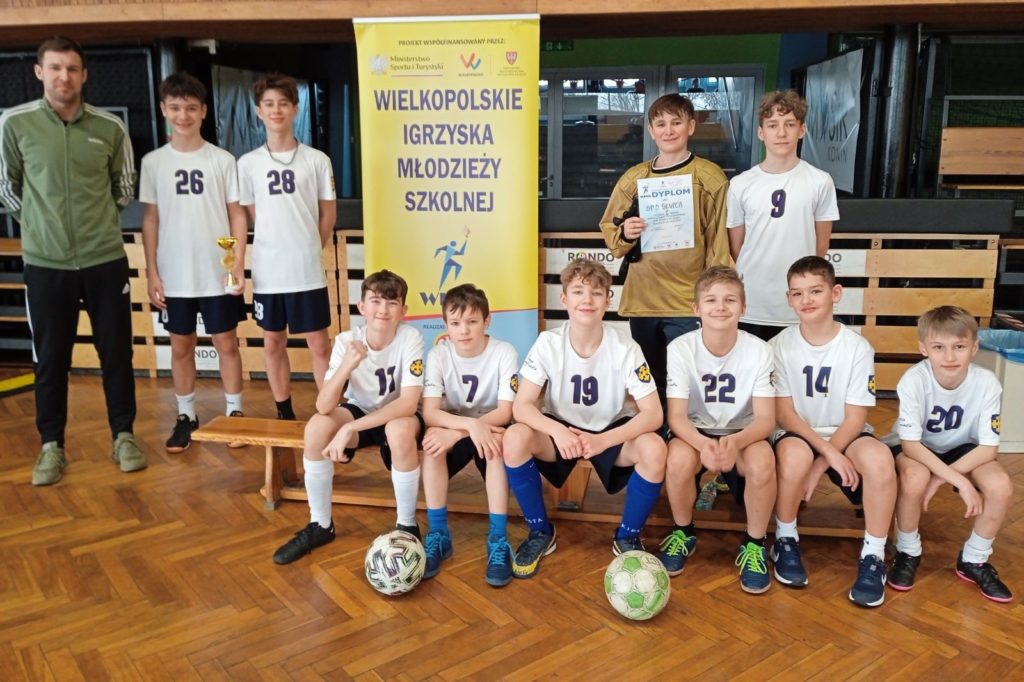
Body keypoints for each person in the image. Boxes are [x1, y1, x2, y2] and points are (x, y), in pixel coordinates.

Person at [0, 36, 146, 484]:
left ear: (84, 75)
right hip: (46, 264)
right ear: (39, 72)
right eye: (55, 68)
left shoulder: (109, 127)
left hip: (104, 260)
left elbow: (123, 187)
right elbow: (7, 187)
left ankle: (124, 436)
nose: (64, 77)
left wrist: (94, 225)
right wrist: (39, 225)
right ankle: (51, 446)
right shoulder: (14, 123)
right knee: (51, 359)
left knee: (116, 353)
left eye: (72, 69)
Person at [502, 260, 666, 578]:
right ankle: (540, 531)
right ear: (564, 299)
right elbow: (521, 406)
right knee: (515, 437)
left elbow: (653, 414)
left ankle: (628, 536)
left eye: (596, 293)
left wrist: (604, 440)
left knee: (655, 448)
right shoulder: (549, 342)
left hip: (608, 431)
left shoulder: (625, 347)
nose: (587, 300)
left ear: (608, 300)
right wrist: (558, 431)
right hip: (560, 428)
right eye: (578, 291)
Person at [272, 270, 424, 565]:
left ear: (403, 310)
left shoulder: (410, 337)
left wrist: (349, 428)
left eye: (392, 303)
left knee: (399, 431)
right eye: (376, 301)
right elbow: (323, 405)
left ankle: (407, 525)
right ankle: (320, 524)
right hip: (361, 409)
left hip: (397, 414)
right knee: (317, 428)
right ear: (361, 307)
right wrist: (347, 365)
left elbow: (408, 403)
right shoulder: (346, 341)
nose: (383, 310)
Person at [770, 256, 895, 607]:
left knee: (880, 460)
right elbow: (784, 414)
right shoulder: (778, 346)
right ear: (789, 299)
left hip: (845, 432)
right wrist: (822, 454)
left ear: (835, 293)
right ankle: (785, 539)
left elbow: (856, 418)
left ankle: (873, 554)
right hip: (798, 431)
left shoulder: (857, 347)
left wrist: (821, 464)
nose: (806, 300)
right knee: (794, 457)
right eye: (797, 293)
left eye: (815, 291)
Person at [140, 72, 248, 453]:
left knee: (226, 343)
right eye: (175, 108)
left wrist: (237, 263)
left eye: (190, 108)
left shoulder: (222, 159)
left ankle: (235, 413)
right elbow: (150, 219)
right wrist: (152, 272)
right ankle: (186, 416)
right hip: (175, 274)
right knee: (181, 346)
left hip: (217, 272)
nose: (182, 115)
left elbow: (237, 213)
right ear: (163, 110)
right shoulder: (153, 162)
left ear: (203, 111)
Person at [599, 93, 729, 402]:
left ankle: (682, 427)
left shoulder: (709, 177)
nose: (668, 130)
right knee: (650, 381)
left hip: (686, 299)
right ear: (651, 131)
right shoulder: (634, 178)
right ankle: (657, 427)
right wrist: (626, 232)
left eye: (676, 123)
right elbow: (611, 234)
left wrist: (714, 293)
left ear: (691, 127)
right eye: (660, 124)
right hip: (644, 297)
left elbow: (719, 241)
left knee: (685, 377)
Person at [655, 266, 776, 593]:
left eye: (730, 300)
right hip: (695, 429)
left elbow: (766, 420)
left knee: (763, 461)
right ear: (696, 308)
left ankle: (754, 543)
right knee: (678, 460)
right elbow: (676, 417)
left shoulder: (760, 350)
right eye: (710, 300)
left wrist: (734, 443)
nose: (720, 307)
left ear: (743, 308)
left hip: (743, 431)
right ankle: (683, 532)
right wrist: (703, 444)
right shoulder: (681, 348)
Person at [889, 306, 1011, 602]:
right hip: (918, 447)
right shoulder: (914, 380)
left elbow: (988, 448)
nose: (950, 357)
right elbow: (911, 445)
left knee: (1001, 486)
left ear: (974, 347)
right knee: (915, 479)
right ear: (923, 349)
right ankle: (907, 550)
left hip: (963, 448)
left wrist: (942, 479)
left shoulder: (987, 383)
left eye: (959, 346)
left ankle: (974, 559)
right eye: (938, 347)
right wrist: (961, 482)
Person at [237, 73, 335, 420]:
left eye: (283, 103)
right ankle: (284, 411)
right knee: (273, 342)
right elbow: (251, 216)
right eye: (268, 104)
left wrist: (309, 245)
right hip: (268, 271)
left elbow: (328, 212)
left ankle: (328, 412)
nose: (276, 110)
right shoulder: (247, 164)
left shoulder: (317, 160)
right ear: (258, 111)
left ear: (295, 108)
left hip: (307, 269)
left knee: (319, 344)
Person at [420, 284, 519, 586]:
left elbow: (505, 412)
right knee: (432, 441)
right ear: (445, 324)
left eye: (472, 321)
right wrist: (467, 428)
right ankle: (439, 534)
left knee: (497, 444)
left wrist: (466, 430)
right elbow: (430, 413)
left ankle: (498, 539)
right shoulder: (438, 354)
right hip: (455, 422)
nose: (463, 330)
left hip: (490, 424)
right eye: (455, 323)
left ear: (487, 321)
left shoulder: (504, 352)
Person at [726, 90, 839, 342]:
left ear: (802, 130)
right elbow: (737, 247)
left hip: (798, 303)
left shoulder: (820, 181)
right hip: (753, 302)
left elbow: (820, 246)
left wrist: (803, 285)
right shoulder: (741, 184)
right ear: (760, 132)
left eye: (789, 124)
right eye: (772, 125)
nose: (781, 133)